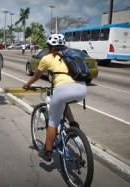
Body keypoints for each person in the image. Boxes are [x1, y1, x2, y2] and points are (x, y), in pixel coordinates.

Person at [23, 34, 86, 162]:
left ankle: (48, 151)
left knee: (52, 122)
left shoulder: (47, 58)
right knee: (64, 103)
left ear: (49, 46)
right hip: (82, 89)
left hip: (63, 90)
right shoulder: (72, 56)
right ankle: (74, 126)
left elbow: (36, 76)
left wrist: (27, 84)